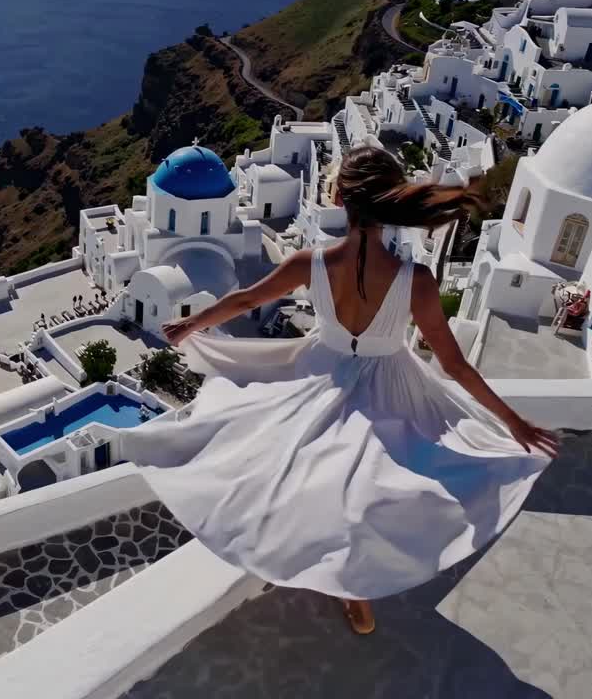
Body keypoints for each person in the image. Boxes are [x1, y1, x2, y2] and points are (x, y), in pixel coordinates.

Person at [122, 147, 558, 635]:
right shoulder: (415, 280)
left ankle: (307, 562)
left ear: (337, 199)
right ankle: (356, 594)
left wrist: (192, 323)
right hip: (389, 387)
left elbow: (246, 298)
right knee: (368, 492)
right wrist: (511, 422)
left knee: (293, 468)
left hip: (318, 372)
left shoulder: (311, 262)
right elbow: (453, 364)